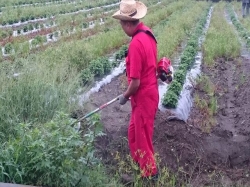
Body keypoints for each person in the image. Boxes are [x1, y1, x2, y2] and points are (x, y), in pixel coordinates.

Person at [112, 0, 159, 182]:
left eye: (122, 24)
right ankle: (139, 165)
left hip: (144, 97)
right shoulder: (147, 33)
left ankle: (150, 176)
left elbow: (136, 83)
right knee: (133, 133)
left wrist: (124, 96)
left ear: (128, 23)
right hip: (147, 95)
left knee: (143, 138)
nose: (121, 27)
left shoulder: (136, 44)